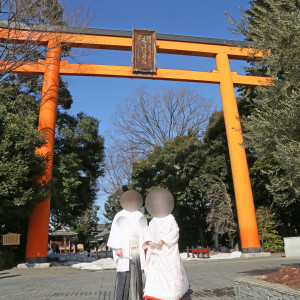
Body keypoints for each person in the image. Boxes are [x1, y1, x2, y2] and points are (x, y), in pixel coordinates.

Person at [143, 187, 189, 300]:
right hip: (155, 252)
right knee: (155, 274)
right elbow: (148, 232)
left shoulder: (170, 218)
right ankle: (154, 293)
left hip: (167, 251)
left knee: (170, 273)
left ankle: (172, 294)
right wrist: (150, 242)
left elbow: (175, 232)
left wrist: (163, 241)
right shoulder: (153, 220)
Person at [107, 190, 147, 300]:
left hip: (138, 248)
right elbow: (115, 233)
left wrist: (147, 244)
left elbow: (145, 231)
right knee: (125, 276)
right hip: (125, 249)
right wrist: (117, 248)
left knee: (139, 274)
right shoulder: (119, 215)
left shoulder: (139, 215)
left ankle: (139, 297)